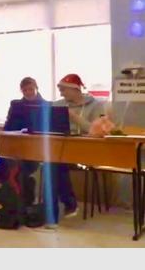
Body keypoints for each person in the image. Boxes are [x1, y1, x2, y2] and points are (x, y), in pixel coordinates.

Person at [48, 74, 106, 223]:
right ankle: (55, 208)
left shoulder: (96, 105)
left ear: (75, 89)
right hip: (61, 149)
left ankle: (67, 203)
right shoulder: (57, 105)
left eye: (63, 90)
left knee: (56, 164)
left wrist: (74, 117)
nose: (61, 94)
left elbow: (95, 131)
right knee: (53, 164)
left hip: (86, 150)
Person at [4, 77, 47, 207]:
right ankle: (14, 199)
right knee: (7, 164)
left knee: (22, 168)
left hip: (37, 148)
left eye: (31, 89)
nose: (28, 92)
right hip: (17, 145)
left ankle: (26, 201)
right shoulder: (16, 105)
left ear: (36, 88)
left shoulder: (46, 105)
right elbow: (8, 126)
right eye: (25, 90)